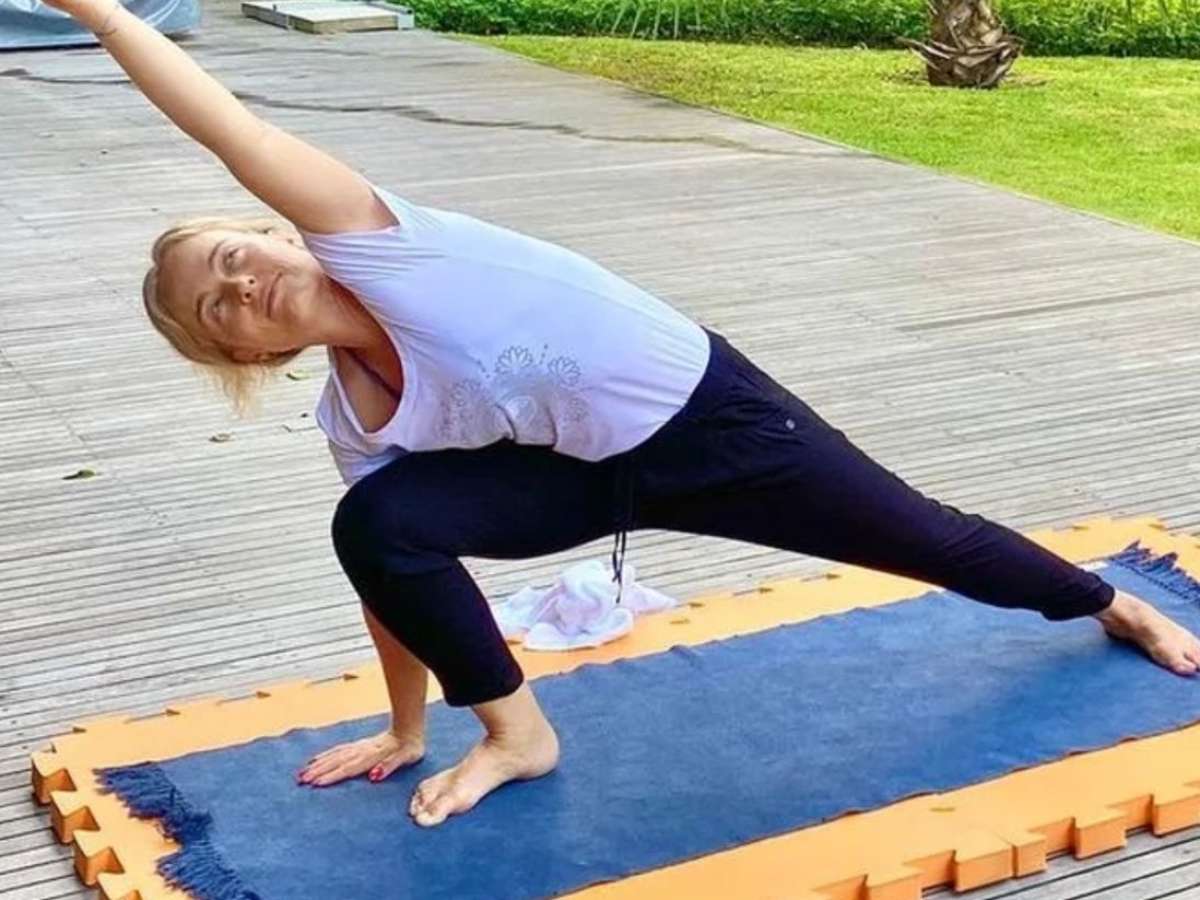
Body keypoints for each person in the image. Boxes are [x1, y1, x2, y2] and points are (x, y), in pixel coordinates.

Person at [40, 0, 1200, 830]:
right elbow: (388, 579)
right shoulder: (356, 418)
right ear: (244, 352)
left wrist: (99, 12)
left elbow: (232, 132)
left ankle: (1109, 603)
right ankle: (517, 735)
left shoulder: (380, 243)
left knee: (923, 537)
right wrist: (405, 729)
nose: (241, 285)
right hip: (582, 470)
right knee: (377, 523)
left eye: (234, 255)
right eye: (217, 307)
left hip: (713, 422)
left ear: (278, 230)